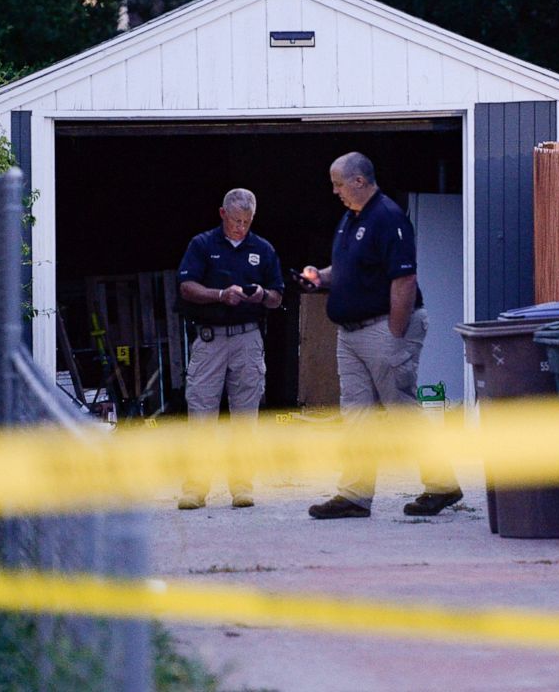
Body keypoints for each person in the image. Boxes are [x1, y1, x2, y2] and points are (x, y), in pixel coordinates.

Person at [297, 152, 462, 519]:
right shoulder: (350, 217)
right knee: (356, 414)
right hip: (350, 333)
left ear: (358, 181)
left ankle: (442, 484)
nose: (334, 190)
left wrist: (395, 335)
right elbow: (349, 269)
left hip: (384, 329)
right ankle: (354, 495)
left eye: (338, 183)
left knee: (401, 409)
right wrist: (320, 277)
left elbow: (404, 279)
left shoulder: (388, 218)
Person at [176, 188, 284, 510]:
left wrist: (262, 294)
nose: (241, 227)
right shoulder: (202, 245)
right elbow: (186, 287)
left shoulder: (263, 249)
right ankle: (195, 488)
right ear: (222, 214)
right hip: (210, 339)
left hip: (248, 338)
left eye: (247, 221)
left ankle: (242, 487)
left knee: (245, 415)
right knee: (201, 414)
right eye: (236, 220)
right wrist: (220, 295)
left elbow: (279, 295)